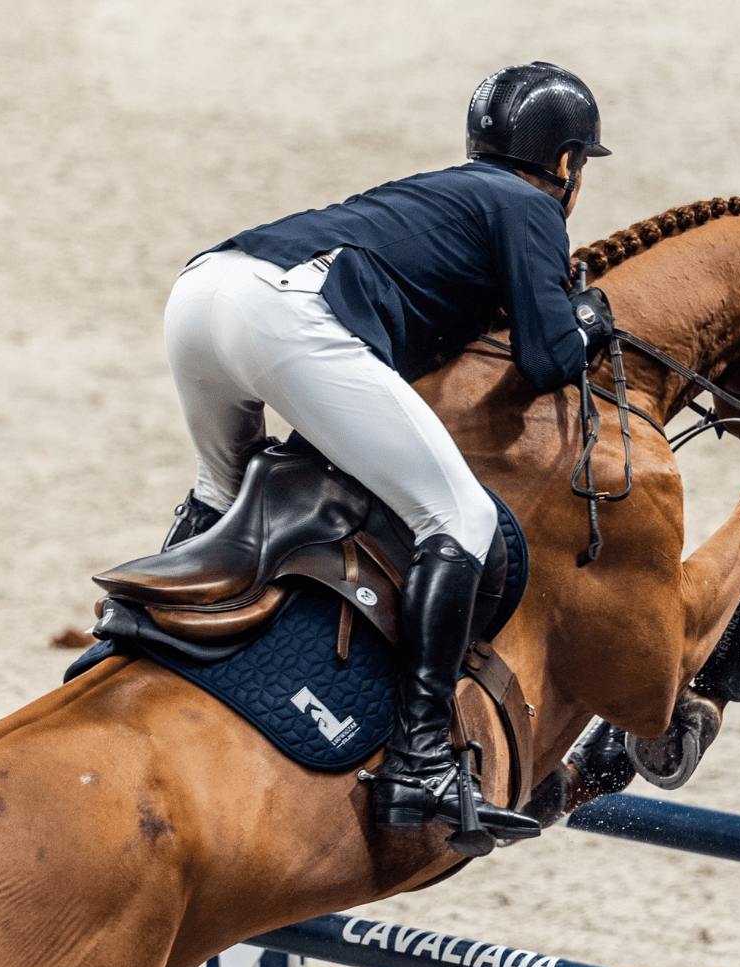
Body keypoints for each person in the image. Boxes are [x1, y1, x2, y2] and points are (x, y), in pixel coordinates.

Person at [159, 61, 615, 849]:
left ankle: (133, 645)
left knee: (222, 488)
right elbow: (548, 360)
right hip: (284, 317)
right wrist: (588, 321)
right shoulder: (531, 206)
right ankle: (420, 760)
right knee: (459, 519)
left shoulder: (445, 192)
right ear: (569, 163)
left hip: (203, 291)